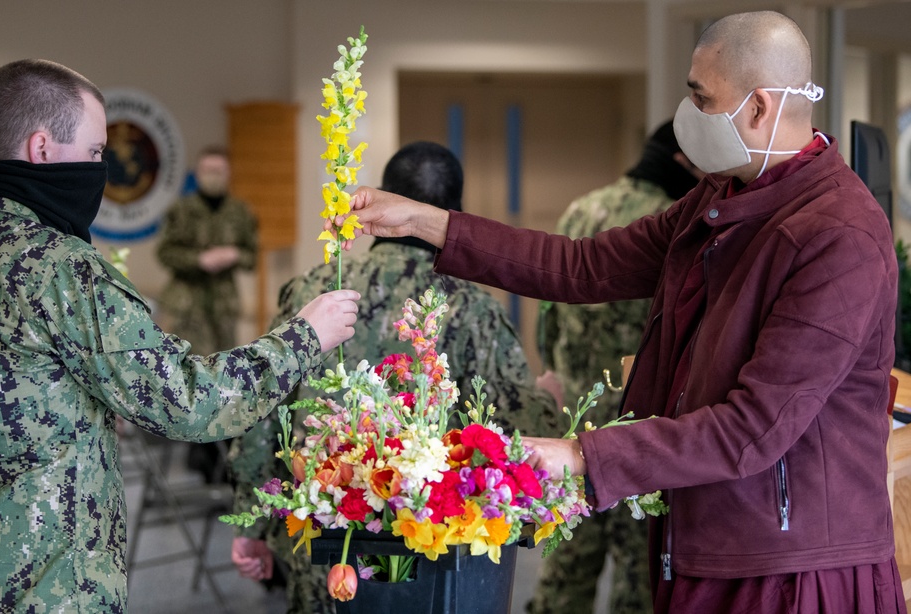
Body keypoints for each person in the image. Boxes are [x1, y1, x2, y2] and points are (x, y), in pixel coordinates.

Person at [345, 11, 906, 614]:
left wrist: (586, 455)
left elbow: (754, 429)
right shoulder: (720, 197)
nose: (687, 114)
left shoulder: (838, 236)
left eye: (701, 97)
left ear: (760, 108)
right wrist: (426, 222)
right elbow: (582, 266)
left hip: (789, 568)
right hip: (704, 533)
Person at [0, 59, 359, 613]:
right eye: (96, 152)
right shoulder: (58, 267)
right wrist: (305, 336)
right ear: (43, 148)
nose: (101, 168)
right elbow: (191, 401)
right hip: (40, 587)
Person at [228, 141, 564, 613]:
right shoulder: (471, 307)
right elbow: (516, 433)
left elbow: (265, 409)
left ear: (386, 200)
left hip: (326, 540)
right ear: (456, 212)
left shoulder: (313, 290)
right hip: (432, 549)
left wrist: (251, 527)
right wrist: (548, 398)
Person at [529, 120, 702, 614]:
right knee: (635, 563)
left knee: (567, 554)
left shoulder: (581, 208)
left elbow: (548, 311)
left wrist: (557, 369)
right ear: (682, 161)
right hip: (639, 419)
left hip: (575, 415)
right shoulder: (673, 222)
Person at [157, 146, 260, 482]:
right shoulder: (182, 210)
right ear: (197, 173)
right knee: (194, 377)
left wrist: (233, 255)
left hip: (223, 307)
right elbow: (166, 252)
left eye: (219, 170)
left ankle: (224, 454)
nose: (213, 176)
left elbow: (251, 255)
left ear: (228, 173)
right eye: (207, 170)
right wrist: (199, 260)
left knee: (226, 376)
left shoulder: (240, 211)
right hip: (190, 306)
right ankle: (198, 453)